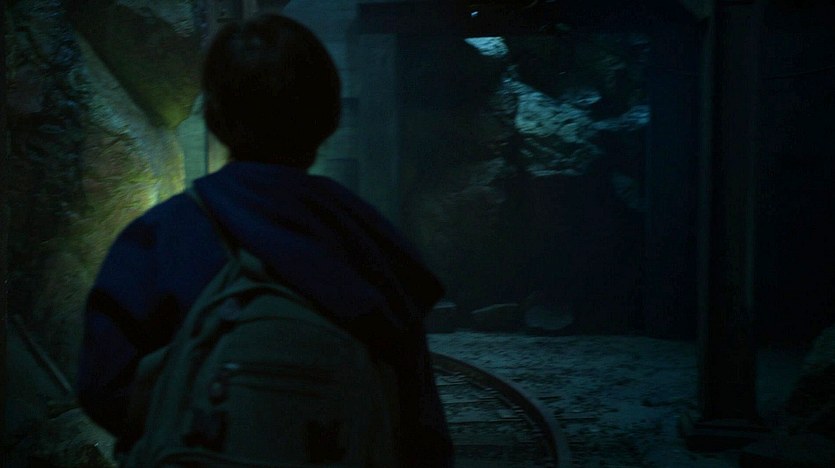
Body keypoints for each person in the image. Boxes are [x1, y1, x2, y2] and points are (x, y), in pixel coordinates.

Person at [77, 14, 453, 466]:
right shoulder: (372, 246)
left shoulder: (161, 235)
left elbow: (103, 388)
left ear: (214, 117)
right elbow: (419, 427)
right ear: (329, 118)